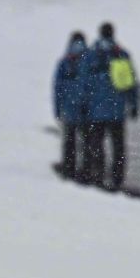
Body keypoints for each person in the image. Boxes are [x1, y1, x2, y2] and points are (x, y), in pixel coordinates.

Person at [80, 22, 139, 190]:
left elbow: (83, 83)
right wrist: (133, 104)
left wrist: (82, 104)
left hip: (95, 110)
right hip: (117, 110)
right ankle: (117, 177)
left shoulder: (90, 55)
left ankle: (98, 175)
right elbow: (131, 83)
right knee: (118, 146)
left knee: (97, 144)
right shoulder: (121, 54)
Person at [52, 31, 87, 180]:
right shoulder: (90, 59)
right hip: (86, 108)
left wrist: (58, 109)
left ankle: (69, 168)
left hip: (69, 107)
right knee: (87, 141)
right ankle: (86, 169)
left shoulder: (64, 61)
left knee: (69, 141)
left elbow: (57, 88)